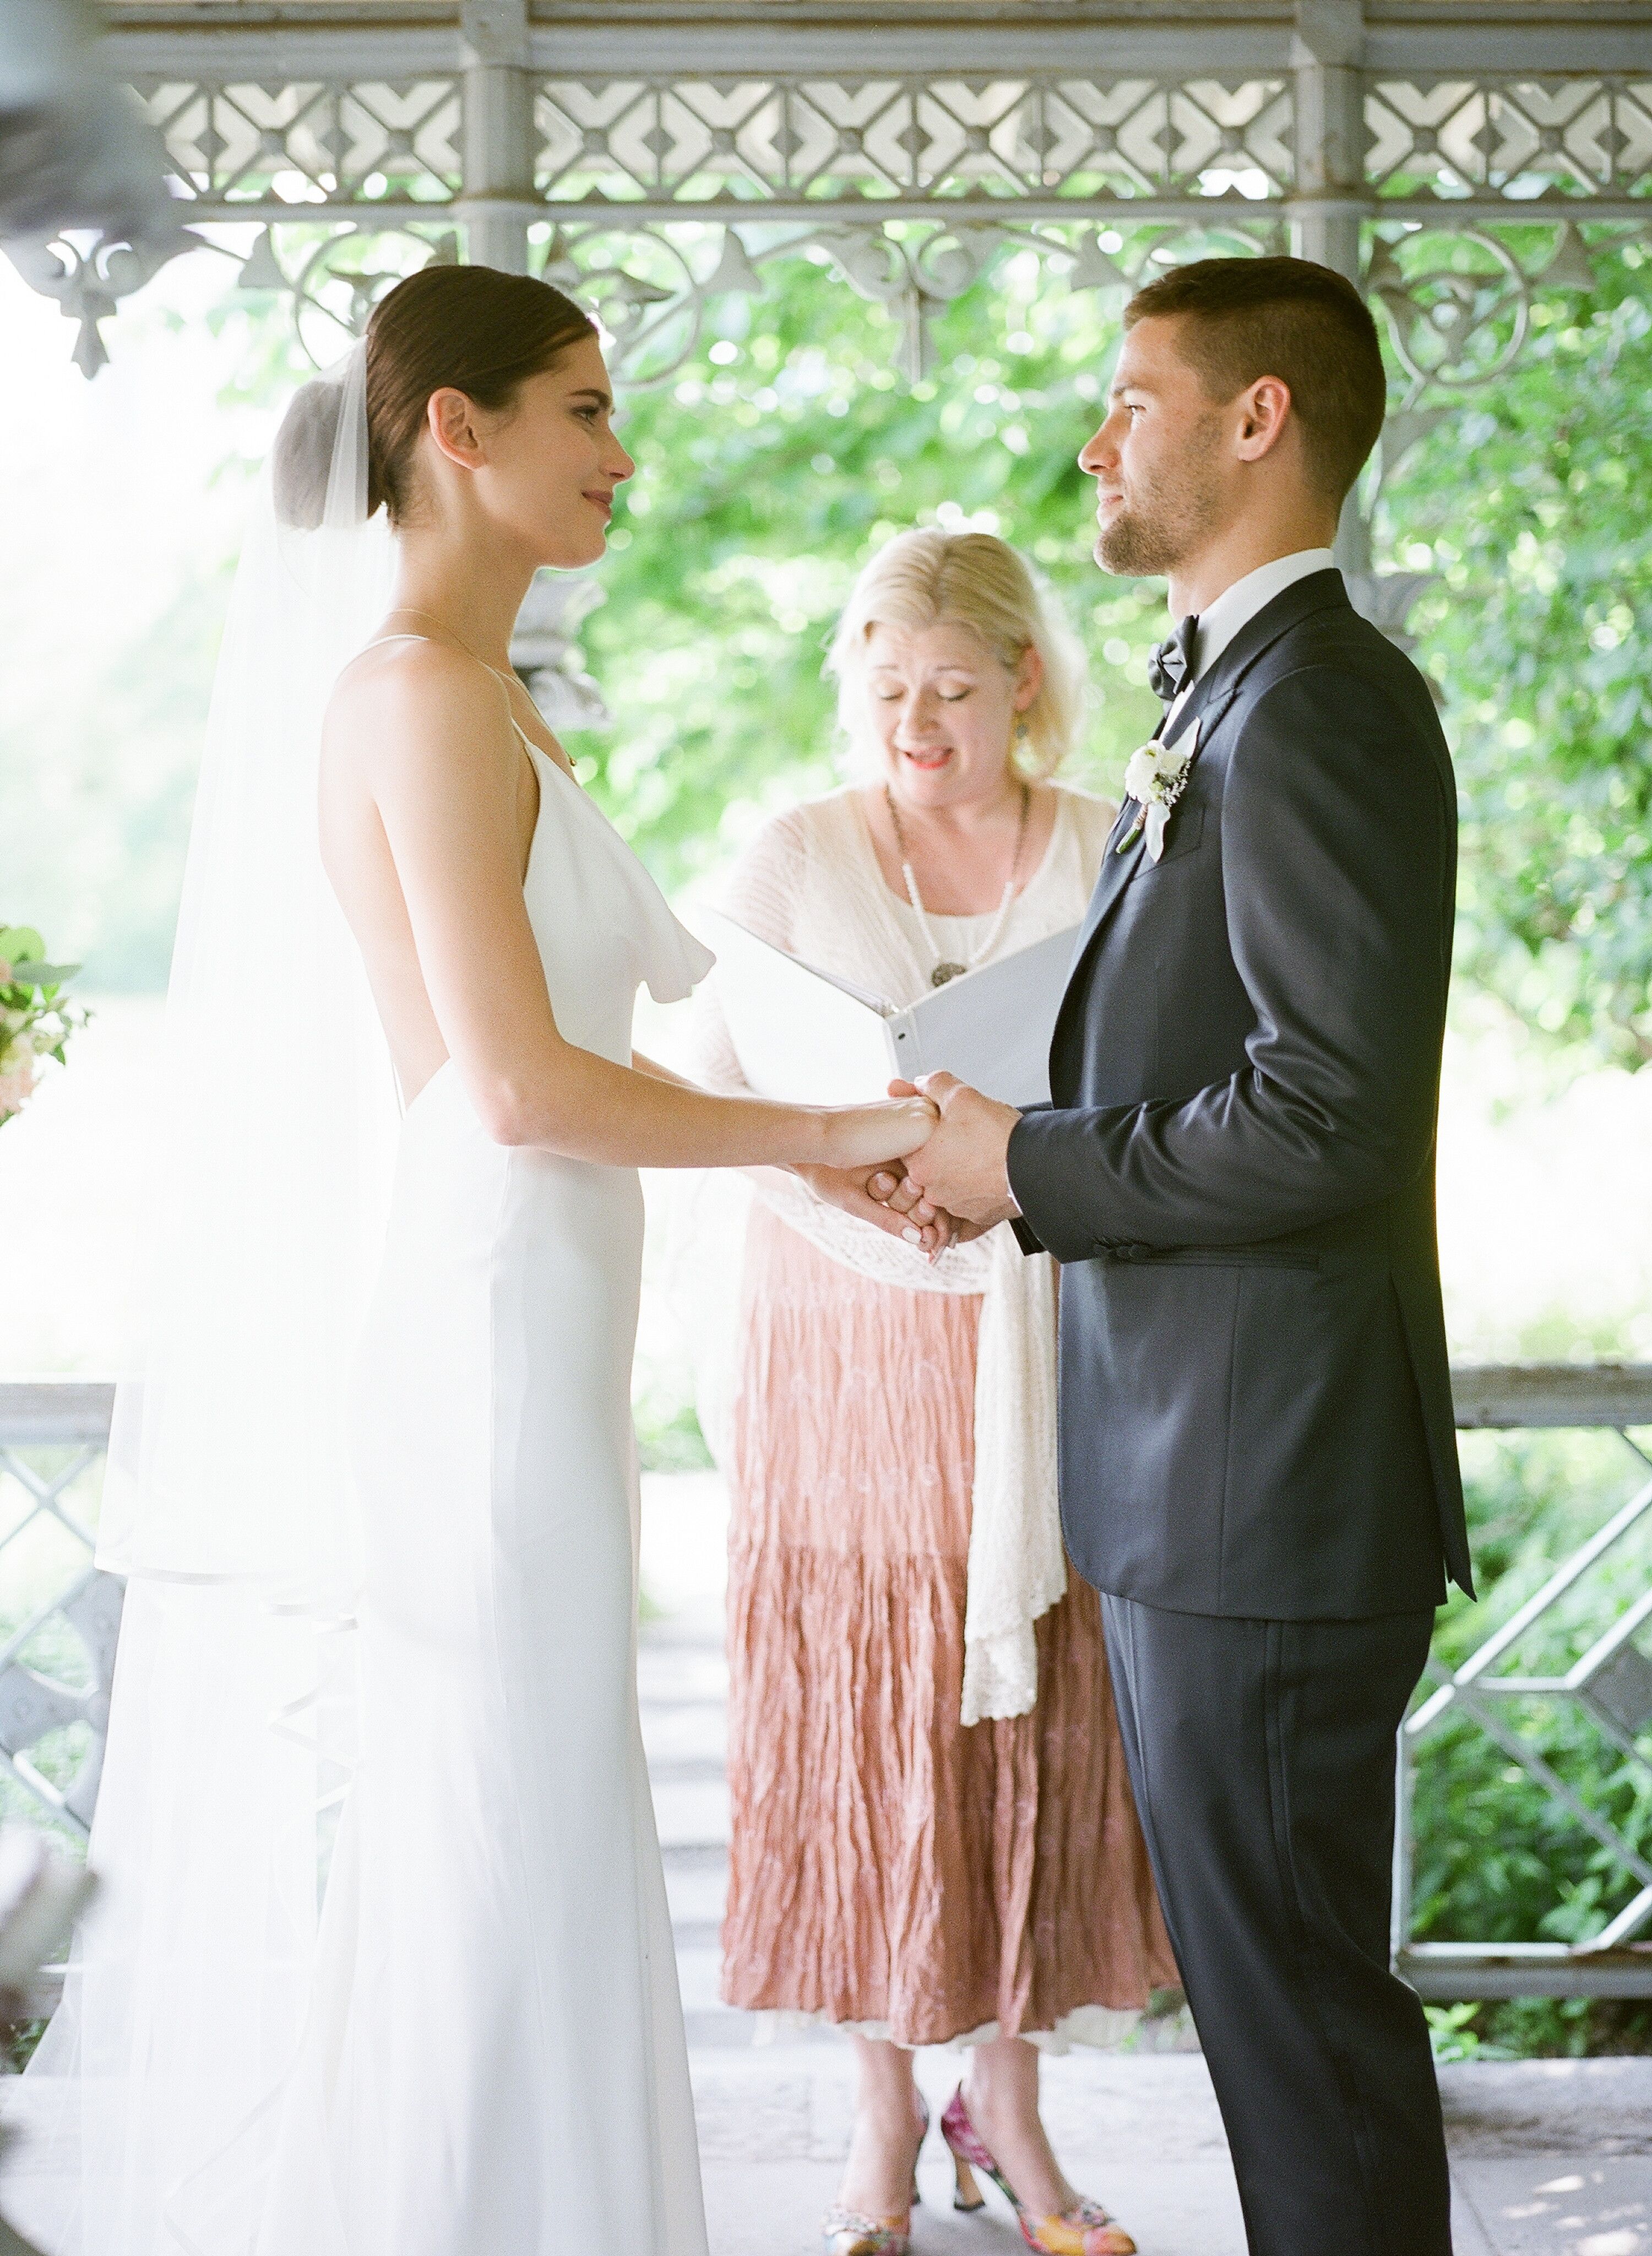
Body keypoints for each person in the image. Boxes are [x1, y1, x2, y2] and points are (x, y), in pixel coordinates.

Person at [33, 265, 937, 2256]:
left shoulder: (477, 697)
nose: (627, 454)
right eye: (586, 411)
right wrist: (837, 1131)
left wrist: (814, 1174)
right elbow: (516, 1094)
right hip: (492, 1333)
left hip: (530, 1317)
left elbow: (532, 1076)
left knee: (528, 1838)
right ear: (459, 429)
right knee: (506, 1849)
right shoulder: (425, 699)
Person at [887, 256, 1472, 2256]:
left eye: (1133, 397)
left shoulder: (1321, 705)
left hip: (1271, 1490)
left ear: (1258, 421)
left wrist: (1031, 1166)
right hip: (1197, 1484)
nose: (1093, 435)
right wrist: (985, 1129)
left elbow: (1328, 1109)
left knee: (1302, 2034)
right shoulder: (1219, 682)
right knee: (1262, 2025)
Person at [691, 529, 1175, 2256]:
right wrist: (843, 1178)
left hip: (1045, 1319)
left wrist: (1014, 1163)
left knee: (1031, 1706)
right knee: (872, 1707)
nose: (919, 720)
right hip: (844, 1333)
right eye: (887, 688)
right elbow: (703, 1078)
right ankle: (882, 2114)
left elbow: (1162, 1061)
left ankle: (1012, 2105)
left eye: (954, 689)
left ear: (1024, 683)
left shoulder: (1109, 842)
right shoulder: (792, 854)